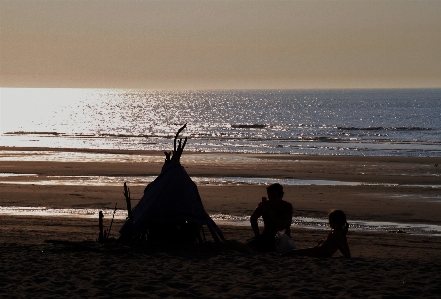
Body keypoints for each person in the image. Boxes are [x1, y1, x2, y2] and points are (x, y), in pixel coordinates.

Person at [283, 209, 351, 258]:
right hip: (320, 251)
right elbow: (345, 245)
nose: (330, 224)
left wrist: (347, 257)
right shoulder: (341, 232)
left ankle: (282, 255)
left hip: (319, 252)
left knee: (294, 252)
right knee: (297, 252)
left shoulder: (338, 233)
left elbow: (341, 246)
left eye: (331, 222)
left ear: (337, 222)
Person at [247, 183, 293, 252]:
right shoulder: (264, 205)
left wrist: (269, 210)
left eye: (274, 196)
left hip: (282, 237)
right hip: (266, 235)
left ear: (281, 196)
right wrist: (257, 235)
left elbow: (282, 224)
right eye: (269, 196)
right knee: (249, 244)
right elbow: (253, 218)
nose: (272, 199)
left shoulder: (287, 206)